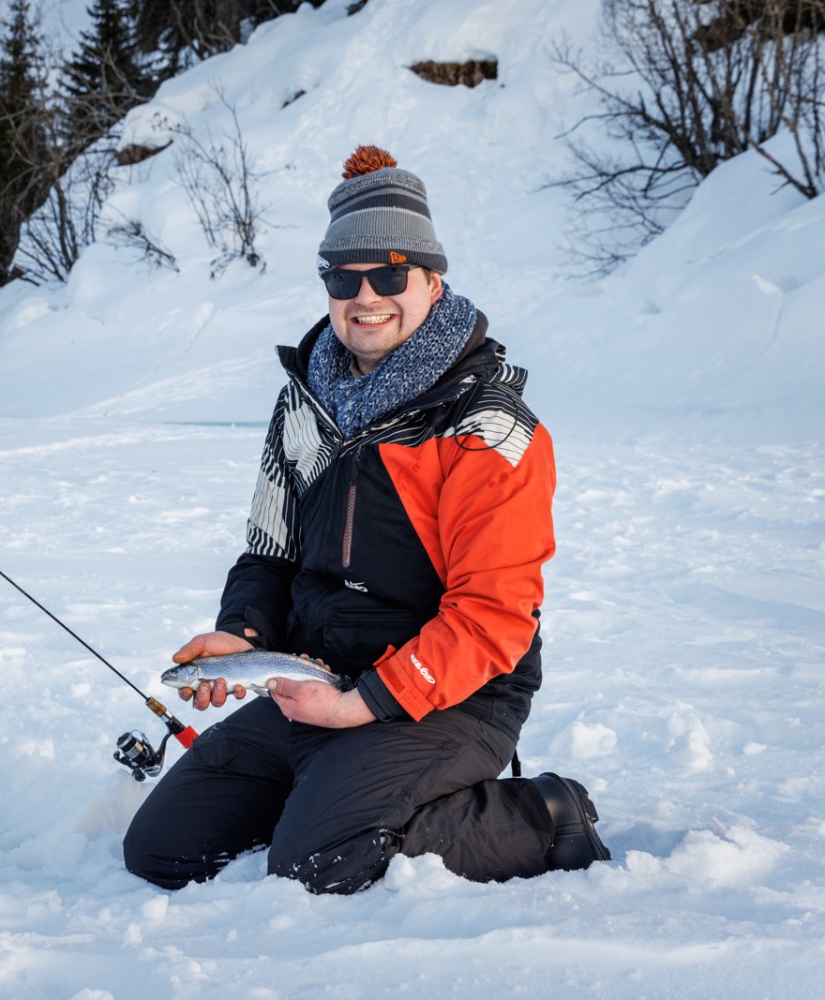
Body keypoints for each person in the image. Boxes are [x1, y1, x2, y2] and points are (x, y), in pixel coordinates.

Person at [123, 145, 611, 895]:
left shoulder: (485, 428)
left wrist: (362, 706)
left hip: (448, 699)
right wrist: (246, 639)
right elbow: (268, 555)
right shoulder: (303, 406)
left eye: (389, 274)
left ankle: (545, 815)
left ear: (431, 280)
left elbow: (494, 618)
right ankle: (336, 796)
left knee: (318, 863)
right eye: (343, 279)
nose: (366, 296)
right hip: (316, 681)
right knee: (162, 852)